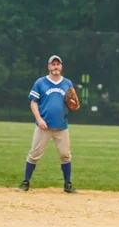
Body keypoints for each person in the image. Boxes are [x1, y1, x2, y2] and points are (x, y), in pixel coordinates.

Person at [17, 55, 78, 194]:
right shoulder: (41, 82)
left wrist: (72, 104)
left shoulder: (67, 83)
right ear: (49, 67)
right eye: (53, 64)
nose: (56, 67)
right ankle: (26, 182)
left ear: (61, 67)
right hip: (43, 126)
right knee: (34, 154)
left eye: (58, 64)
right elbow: (33, 102)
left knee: (65, 155)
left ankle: (67, 184)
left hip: (61, 126)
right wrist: (39, 119)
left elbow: (71, 102)